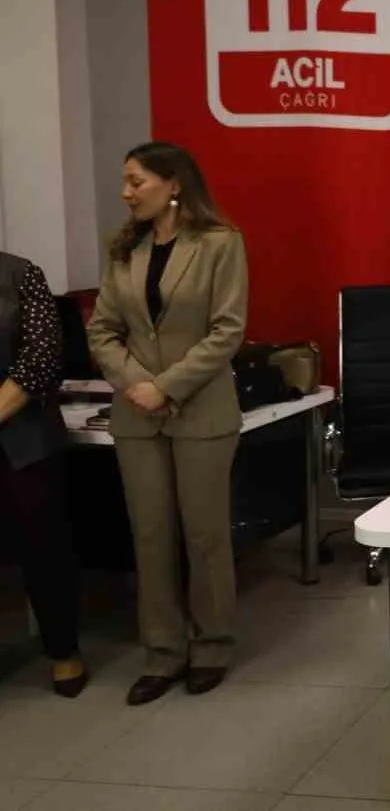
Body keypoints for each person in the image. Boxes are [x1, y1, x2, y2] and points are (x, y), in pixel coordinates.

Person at [87, 142, 248, 706]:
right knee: (150, 536)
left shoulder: (220, 243)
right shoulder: (124, 249)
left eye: (136, 181)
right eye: (125, 182)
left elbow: (227, 330)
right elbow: (102, 330)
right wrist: (137, 383)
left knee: (205, 536)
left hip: (201, 410)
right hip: (137, 415)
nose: (125, 193)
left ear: (173, 183)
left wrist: (166, 386)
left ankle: (212, 646)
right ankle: (162, 653)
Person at [0, 250, 86, 697]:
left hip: (23, 437)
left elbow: (41, 359)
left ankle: (63, 651)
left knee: (44, 549)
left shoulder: (20, 275)